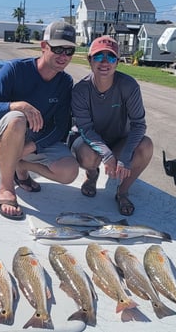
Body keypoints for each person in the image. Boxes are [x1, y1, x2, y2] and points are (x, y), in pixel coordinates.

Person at [0, 21, 79, 219]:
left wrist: (30, 148)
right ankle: (6, 188)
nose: (63, 56)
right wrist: (17, 105)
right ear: (43, 46)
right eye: (58, 48)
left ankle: (21, 167)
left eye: (69, 51)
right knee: (17, 118)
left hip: (32, 143)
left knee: (70, 172)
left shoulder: (65, 82)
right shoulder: (15, 69)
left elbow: (60, 127)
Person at [71, 35, 153, 216]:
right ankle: (92, 176)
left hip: (119, 140)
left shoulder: (129, 86)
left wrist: (123, 157)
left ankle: (122, 191)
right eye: (99, 56)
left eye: (111, 57)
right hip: (89, 141)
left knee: (146, 146)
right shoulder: (80, 90)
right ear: (90, 60)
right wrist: (107, 155)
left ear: (117, 62)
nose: (104, 62)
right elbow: (85, 128)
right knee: (87, 156)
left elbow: (139, 125)